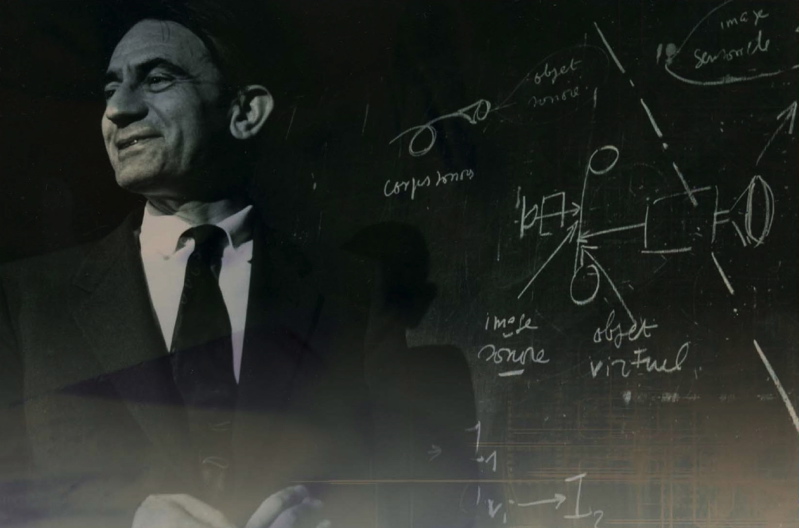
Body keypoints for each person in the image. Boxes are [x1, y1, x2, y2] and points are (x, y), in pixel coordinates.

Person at [0, 2, 382, 527]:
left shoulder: (350, 292)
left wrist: (338, 514)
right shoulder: (23, 300)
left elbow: (400, 474)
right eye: (110, 88)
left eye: (157, 79)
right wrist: (121, 520)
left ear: (245, 113)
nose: (118, 109)